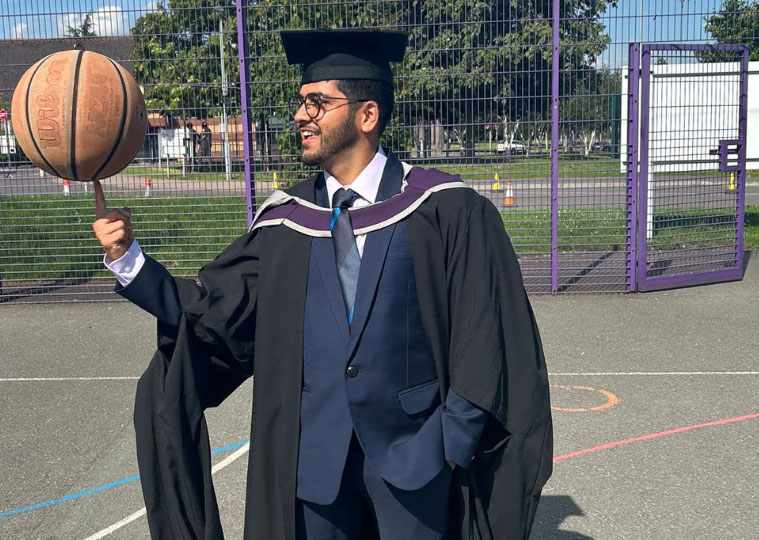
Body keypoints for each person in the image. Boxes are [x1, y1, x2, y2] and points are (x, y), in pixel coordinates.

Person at [92, 28, 552, 540]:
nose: (299, 115)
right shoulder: (287, 221)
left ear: (367, 115)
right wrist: (129, 260)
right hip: (313, 463)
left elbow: (485, 331)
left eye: (317, 102)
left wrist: (452, 444)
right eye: (300, 102)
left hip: (417, 459)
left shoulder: (444, 209)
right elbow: (215, 309)